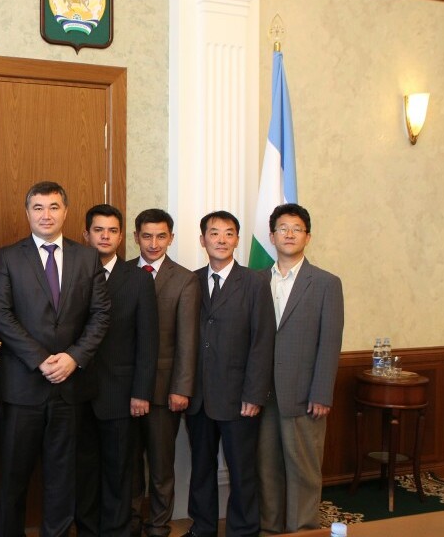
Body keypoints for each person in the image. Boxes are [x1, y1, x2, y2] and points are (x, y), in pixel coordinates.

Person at [0, 181, 110, 537]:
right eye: (38, 207)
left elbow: (101, 314)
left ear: (65, 212)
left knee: (63, 478)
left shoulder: (87, 257)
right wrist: (41, 359)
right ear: (27, 213)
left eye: (54, 207)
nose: (46, 215)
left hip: (71, 388)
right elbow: (1, 315)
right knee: (14, 477)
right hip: (23, 388)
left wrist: (74, 357)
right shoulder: (7, 257)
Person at [184, 210, 274, 537]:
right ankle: (202, 528)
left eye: (228, 233)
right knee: (201, 469)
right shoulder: (190, 281)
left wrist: (254, 394)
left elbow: (263, 341)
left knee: (242, 471)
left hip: (239, 398)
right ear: (202, 240)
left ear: (237, 240)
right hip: (198, 396)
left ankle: (244, 531)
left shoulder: (254, 282)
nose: (221, 240)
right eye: (214, 233)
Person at [257, 203, 344, 534]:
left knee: (304, 471)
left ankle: (303, 530)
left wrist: (322, 392)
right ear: (272, 236)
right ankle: (270, 529)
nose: (289, 234)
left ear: (308, 236)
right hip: (263, 394)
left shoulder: (325, 283)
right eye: (283, 228)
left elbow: (329, 342)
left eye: (297, 229)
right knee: (267, 469)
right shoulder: (255, 280)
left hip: (305, 395)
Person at [75, 204, 159, 537]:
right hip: (77, 393)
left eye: (112, 231)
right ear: (86, 234)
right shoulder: (71, 273)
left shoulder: (138, 279)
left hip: (121, 395)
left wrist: (141, 392)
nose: (105, 236)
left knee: (119, 474)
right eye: (98, 230)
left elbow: (148, 340)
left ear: (122, 236)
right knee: (83, 473)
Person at [126, 208, 200, 537]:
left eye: (161, 236)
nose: (154, 243)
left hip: (164, 389)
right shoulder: (122, 273)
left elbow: (187, 339)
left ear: (171, 238)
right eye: (147, 236)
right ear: (136, 237)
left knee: (160, 466)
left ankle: (158, 525)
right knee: (128, 464)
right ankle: (128, 523)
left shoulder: (185, 279)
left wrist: (181, 388)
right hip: (125, 389)